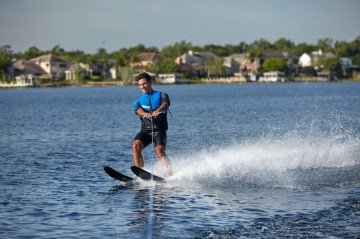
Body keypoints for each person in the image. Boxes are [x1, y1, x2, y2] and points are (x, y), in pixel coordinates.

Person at [132, 72, 172, 176]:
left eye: (144, 84)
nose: (142, 87)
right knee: (136, 145)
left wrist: (158, 110)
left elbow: (165, 103)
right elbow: (138, 111)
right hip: (145, 131)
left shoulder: (161, 95)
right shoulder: (138, 101)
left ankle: (169, 174)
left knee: (159, 151)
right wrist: (145, 114)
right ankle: (140, 173)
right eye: (140, 85)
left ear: (150, 83)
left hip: (159, 130)